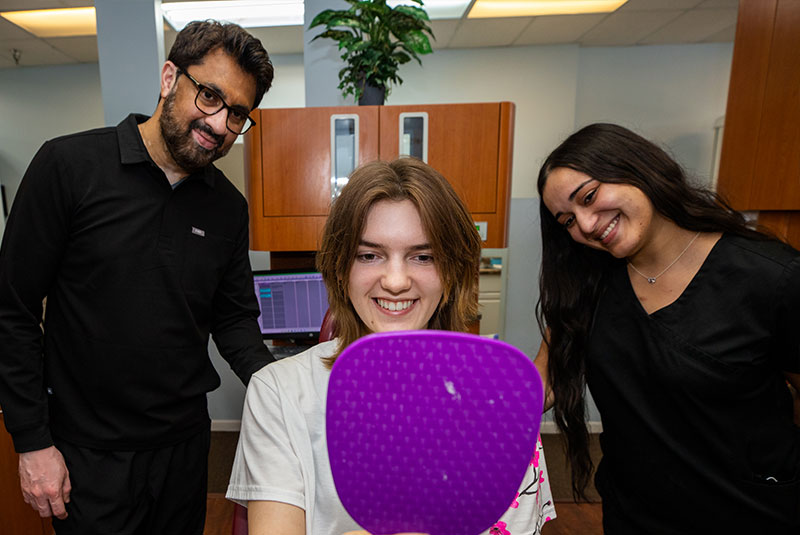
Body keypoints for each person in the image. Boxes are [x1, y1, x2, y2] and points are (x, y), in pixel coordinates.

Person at [0, 20, 276, 534]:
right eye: (210, 96)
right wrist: (33, 442)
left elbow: (235, 321)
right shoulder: (68, 166)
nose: (219, 124)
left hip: (184, 451)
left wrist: (287, 389)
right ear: (170, 77)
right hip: (87, 457)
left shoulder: (228, 208)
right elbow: (11, 310)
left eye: (238, 113)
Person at [226, 158, 556, 535]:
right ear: (340, 267)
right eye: (369, 255)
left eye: (423, 256)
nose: (396, 281)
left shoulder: (500, 398)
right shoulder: (278, 391)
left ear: (453, 270)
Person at [535, 122, 800, 533]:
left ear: (636, 168)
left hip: (749, 514)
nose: (585, 225)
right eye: (567, 220)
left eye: (588, 197)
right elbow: (543, 383)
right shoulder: (588, 286)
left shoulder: (767, 276)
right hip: (635, 517)